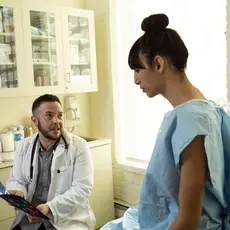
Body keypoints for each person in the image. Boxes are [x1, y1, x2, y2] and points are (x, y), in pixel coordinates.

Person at [100, 13, 228, 230]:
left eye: (137, 69)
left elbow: (188, 220)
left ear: (158, 64)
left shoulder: (191, 120)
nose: (135, 79)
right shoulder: (205, 109)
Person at [6, 94, 95, 230]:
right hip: (31, 219)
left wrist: (49, 208)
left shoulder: (79, 146)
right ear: (35, 121)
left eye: (60, 115)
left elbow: (82, 188)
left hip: (66, 219)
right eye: (49, 115)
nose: (56, 121)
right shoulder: (23, 146)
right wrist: (19, 192)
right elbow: (17, 180)